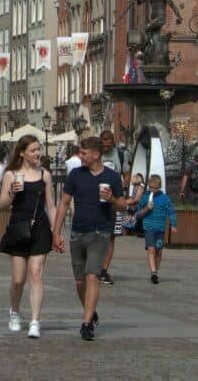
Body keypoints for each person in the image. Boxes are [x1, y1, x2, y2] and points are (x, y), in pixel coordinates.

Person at [51, 136, 126, 342]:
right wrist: (56, 232)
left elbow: (122, 205)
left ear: (96, 154)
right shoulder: (76, 175)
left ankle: (86, 324)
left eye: (84, 153)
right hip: (77, 232)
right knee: (79, 280)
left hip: (100, 232)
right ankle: (91, 313)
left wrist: (111, 199)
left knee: (93, 275)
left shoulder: (112, 177)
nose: (80, 157)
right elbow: (64, 203)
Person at [0, 135, 56, 338]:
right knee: (18, 279)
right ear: (22, 153)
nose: (37, 153)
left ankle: (34, 321)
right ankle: (14, 311)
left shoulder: (45, 175)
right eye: (33, 150)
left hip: (40, 226)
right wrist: (12, 193)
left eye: (38, 149)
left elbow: (51, 205)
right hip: (19, 226)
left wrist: (56, 232)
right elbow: (2, 205)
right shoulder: (11, 174)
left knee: (36, 274)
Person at [97, 130, 128, 285]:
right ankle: (94, 267)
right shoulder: (97, 155)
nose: (106, 148)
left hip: (114, 201)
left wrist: (123, 183)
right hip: (97, 199)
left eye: (109, 146)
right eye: (104, 146)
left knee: (111, 236)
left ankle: (104, 270)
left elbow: (127, 173)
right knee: (95, 234)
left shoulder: (121, 155)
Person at [136, 174, 177, 283]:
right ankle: (153, 272)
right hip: (149, 226)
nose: (153, 190)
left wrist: (173, 224)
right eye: (151, 187)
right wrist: (146, 208)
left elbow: (171, 212)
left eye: (155, 187)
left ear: (159, 187)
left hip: (160, 228)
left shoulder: (164, 198)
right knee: (151, 249)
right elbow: (138, 213)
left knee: (158, 251)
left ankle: (155, 271)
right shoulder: (145, 197)